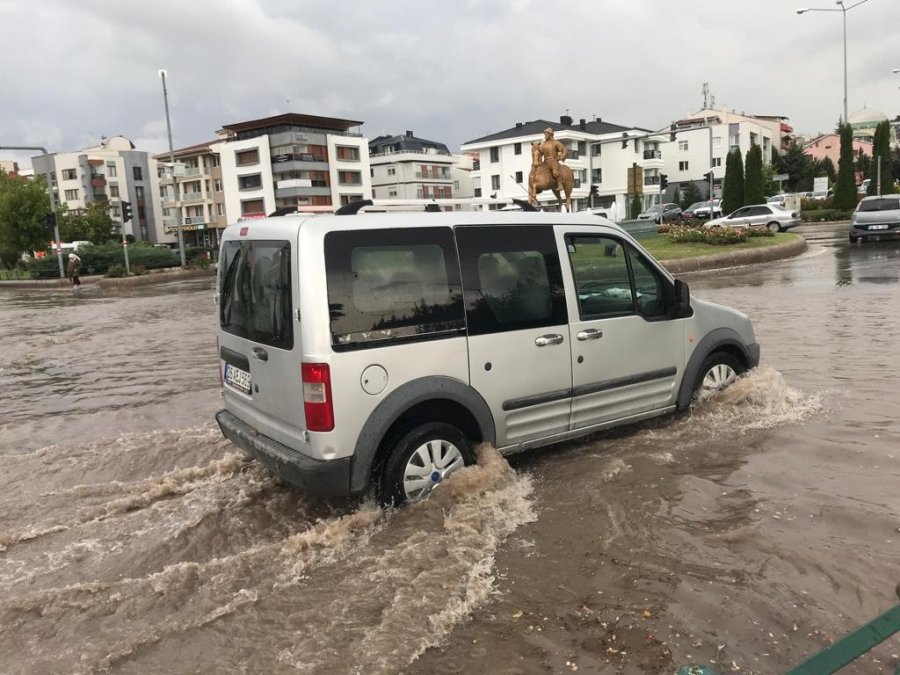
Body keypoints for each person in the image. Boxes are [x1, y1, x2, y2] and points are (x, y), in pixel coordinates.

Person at [538, 127, 568, 192]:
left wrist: (560, 157)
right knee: (539, 170)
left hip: (553, 161)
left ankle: (560, 184)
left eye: (546, 134)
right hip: (545, 162)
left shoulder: (556, 143)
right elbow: (540, 153)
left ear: (550, 134)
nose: (545, 136)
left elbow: (564, 150)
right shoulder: (543, 144)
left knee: (555, 171)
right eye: (544, 134)